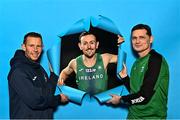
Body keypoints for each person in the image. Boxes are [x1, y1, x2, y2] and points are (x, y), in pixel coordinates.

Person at [107, 24, 169, 119]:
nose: (137, 41)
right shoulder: (137, 62)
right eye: (134, 38)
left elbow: (144, 96)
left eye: (142, 37)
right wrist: (125, 78)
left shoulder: (156, 60)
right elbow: (135, 91)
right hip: (133, 116)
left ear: (151, 39)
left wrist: (121, 100)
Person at [8, 32, 68, 119]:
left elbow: (47, 93)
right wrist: (58, 99)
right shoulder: (18, 71)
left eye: (38, 46)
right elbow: (35, 100)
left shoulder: (39, 68)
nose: (35, 50)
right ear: (23, 47)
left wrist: (53, 76)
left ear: (42, 47)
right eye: (31, 46)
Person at [58, 31, 124, 95]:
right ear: (80, 46)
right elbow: (64, 72)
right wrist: (61, 82)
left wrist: (123, 45)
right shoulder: (75, 63)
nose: (89, 47)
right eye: (85, 43)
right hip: (84, 104)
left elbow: (124, 58)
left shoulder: (105, 58)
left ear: (97, 45)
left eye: (92, 43)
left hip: (102, 104)